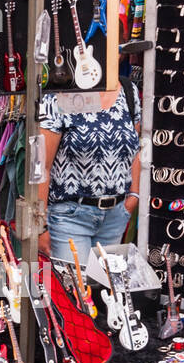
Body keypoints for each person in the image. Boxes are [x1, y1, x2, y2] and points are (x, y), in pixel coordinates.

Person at [36, 84, 142, 263]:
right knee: (75, 289)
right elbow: (41, 166)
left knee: (106, 289)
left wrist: (134, 195)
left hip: (114, 216)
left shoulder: (128, 91)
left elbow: (135, 147)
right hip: (70, 217)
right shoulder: (60, 95)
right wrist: (40, 225)